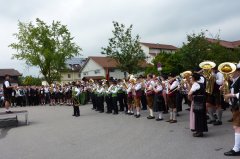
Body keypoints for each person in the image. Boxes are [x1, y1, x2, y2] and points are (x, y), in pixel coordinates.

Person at [223, 64, 240, 156]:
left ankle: (236, 149)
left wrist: (230, 95)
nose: (230, 73)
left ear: (238, 71)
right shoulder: (235, 80)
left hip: (238, 106)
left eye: (232, 71)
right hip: (236, 105)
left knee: (237, 127)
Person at [188, 73, 208, 137]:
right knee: (201, 115)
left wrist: (190, 98)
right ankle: (200, 130)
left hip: (197, 101)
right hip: (202, 100)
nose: (191, 79)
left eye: (191, 77)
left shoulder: (196, 84)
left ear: (194, 78)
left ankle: (199, 131)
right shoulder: (201, 84)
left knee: (198, 116)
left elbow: (190, 93)